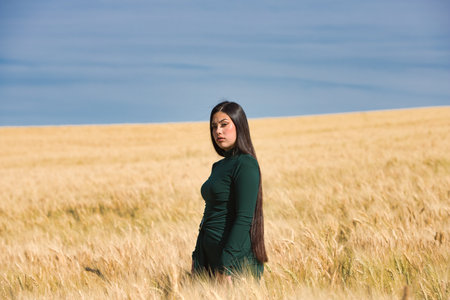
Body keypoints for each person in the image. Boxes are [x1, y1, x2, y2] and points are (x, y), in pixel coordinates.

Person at [191, 101, 268, 281]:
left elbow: (244, 218)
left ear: (239, 125)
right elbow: (209, 213)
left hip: (233, 262)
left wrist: (226, 265)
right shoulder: (218, 167)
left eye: (224, 124)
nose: (218, 131)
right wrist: (197, 255)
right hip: (208, 257)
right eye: (214, 127)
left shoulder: (245, 164)